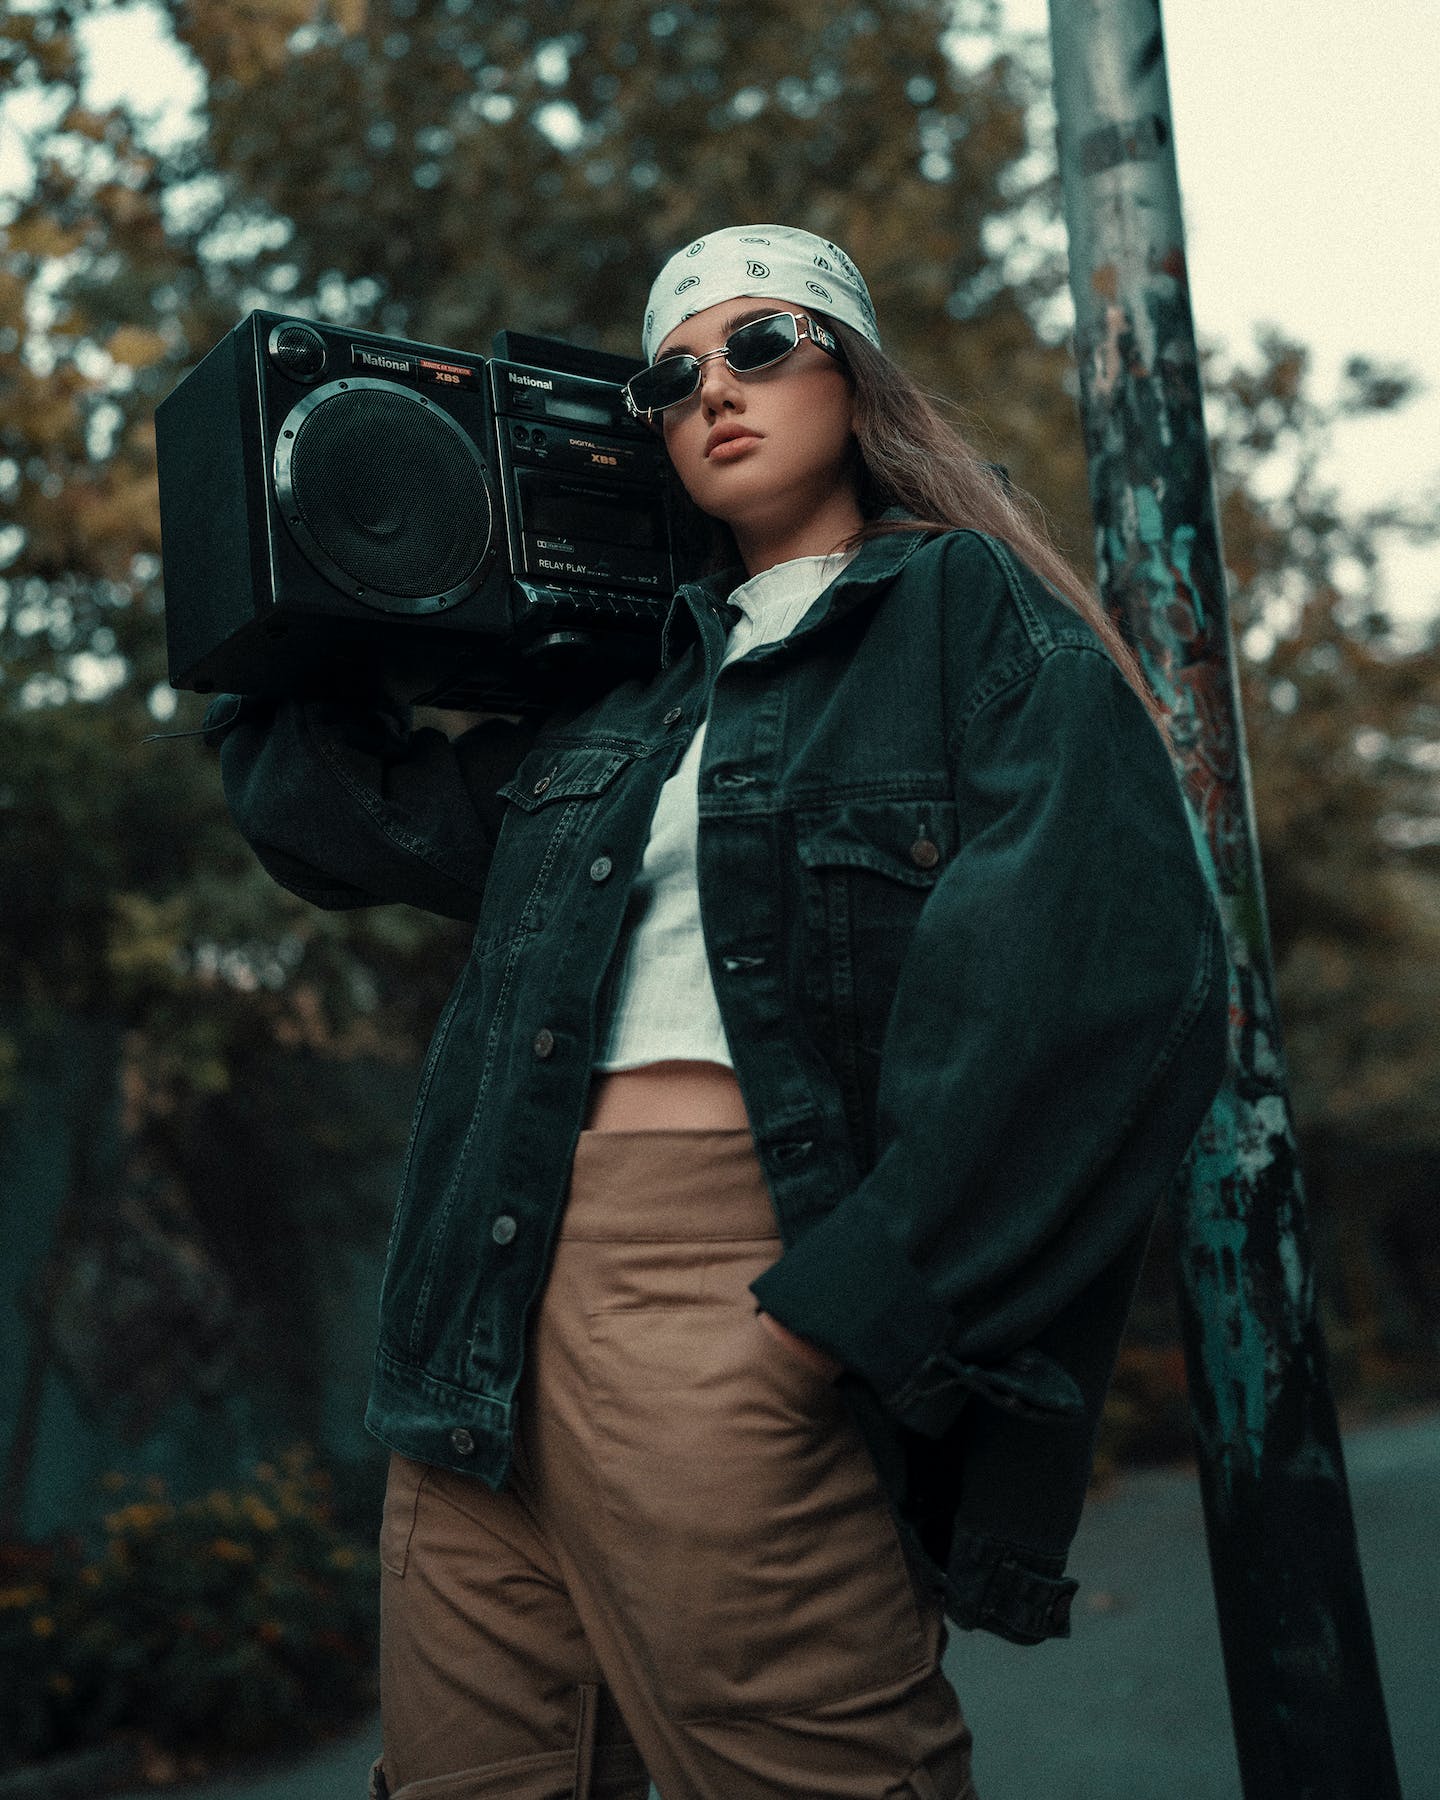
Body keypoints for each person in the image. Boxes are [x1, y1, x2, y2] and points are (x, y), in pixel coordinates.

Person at [205, 223, 1231, 1800]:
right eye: (672, 379)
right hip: (477, 1311)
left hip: (736, 1300)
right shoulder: (620, 700)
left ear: (855, 373)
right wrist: (309, 576)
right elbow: (343, 819)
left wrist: (852, 1309)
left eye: (762, 345)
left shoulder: (961, 616)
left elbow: (1105, 980)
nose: (713, 393)